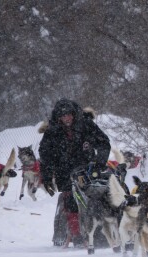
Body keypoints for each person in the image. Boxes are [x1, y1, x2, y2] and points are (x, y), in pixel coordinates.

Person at [39, 98, 111, 247]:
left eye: (69, 115)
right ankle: (77, 235)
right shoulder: (52, 131)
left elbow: (104, 142)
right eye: (63, 116)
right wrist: (46, 177)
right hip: (64, 171)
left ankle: (101, 234)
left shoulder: (85, 124)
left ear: (74, 114)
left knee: (95, 198)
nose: (67, 118)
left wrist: (99, 162)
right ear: (58, 117)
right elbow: (45, 156)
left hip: (87, 168)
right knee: (71, 200)